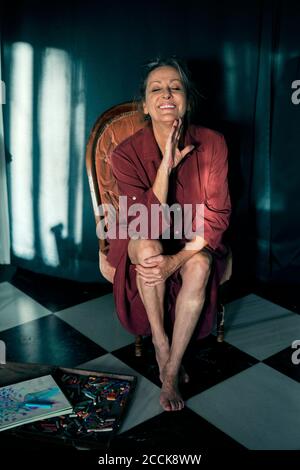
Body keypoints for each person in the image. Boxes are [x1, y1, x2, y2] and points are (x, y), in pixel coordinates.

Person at [106, 57, 231, 412]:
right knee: (147, 245)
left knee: (200, 265)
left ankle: (172, 367)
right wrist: (167, 165)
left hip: (193, 238)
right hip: (139, 232)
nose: (167, 95)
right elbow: (143, 222)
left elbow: (218, 216)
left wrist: (177, 259)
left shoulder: (213, 142)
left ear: (187, 99)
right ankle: (160, 343)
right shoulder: (124, 152)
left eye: (175, 87)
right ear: (145, 105)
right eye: (156, 89)